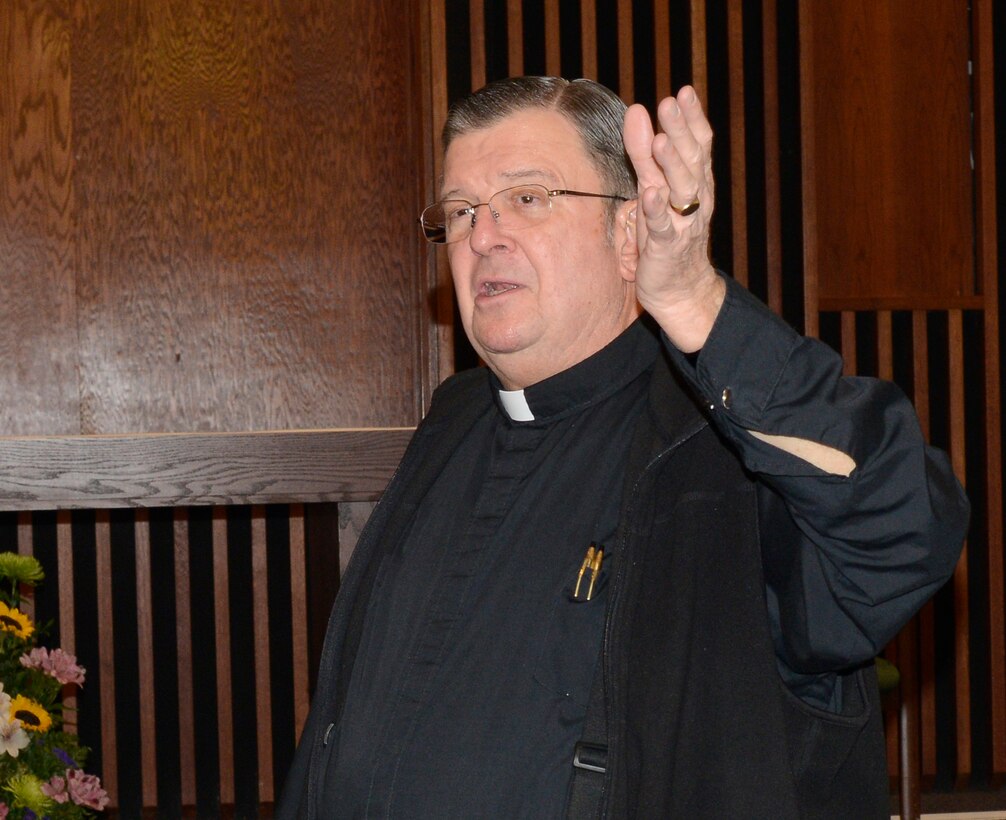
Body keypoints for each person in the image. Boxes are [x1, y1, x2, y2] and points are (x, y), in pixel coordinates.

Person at [277, 77, 968, 818]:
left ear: (630, 231)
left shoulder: (718, 450)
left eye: (528, 197)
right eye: (461, 211)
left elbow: (901, 534)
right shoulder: (451, 426)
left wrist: (698, 303)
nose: (483, 235)